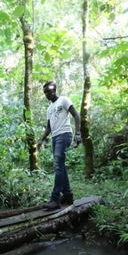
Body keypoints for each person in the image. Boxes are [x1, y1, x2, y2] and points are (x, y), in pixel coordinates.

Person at [37, 81, 81, 210]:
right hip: (55, 137)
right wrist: (40, 140)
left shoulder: (64, 100)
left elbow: (76, 115)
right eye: (45, 92)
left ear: (55, 90)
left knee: (58, 165)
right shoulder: (49, 108)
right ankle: (67, 195)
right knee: (60, 166)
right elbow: (48, 128)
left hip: (65, 134)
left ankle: (55, 199)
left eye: (49, 91)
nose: (47, 94)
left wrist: (78, 133)